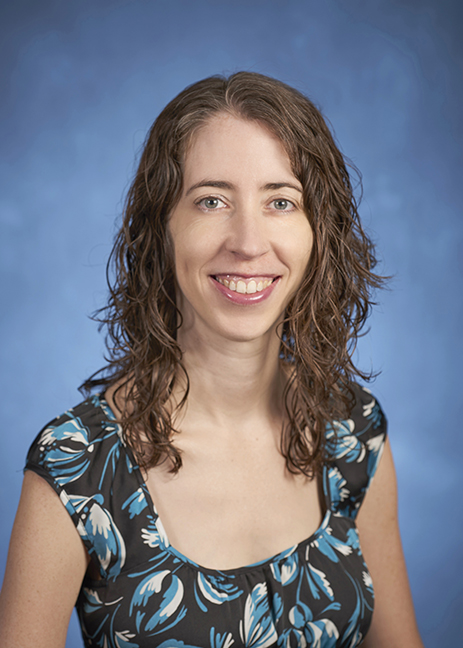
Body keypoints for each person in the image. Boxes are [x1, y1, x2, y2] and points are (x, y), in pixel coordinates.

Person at [0, 72, 424, 648]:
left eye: (281, 201)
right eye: (211, 200)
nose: (248, 242)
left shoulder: (354, 432)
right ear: (161, 229)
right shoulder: (76, 467)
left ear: (317, 231)